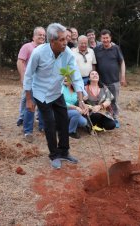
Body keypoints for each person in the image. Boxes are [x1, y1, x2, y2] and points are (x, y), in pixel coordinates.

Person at [23, 23, 87, 169]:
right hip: (41, 93)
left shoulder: (68, 54)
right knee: (50, 124)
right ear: (52, 41)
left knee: (63, 121)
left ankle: (64, 152)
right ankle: (54, 155)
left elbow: (75, 76)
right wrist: (28, 99)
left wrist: (81, 99)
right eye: (62, 40)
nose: (66, 42)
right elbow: (28, 75)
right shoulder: (39, 53)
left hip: (57, 92)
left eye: (66, 39)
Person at [16, 26, 46, 143]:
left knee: (43, 105)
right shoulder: (27, 47)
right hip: (32, 82)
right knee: (30, 105)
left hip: (43, 82)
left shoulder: (45, 48)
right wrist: (23, 77)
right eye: (40, 35)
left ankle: (42, 126)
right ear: (33, 36)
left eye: (44, 35)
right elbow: (20, 61)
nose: (42, 37)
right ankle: (28, 131)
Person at [94, 29, 126, 128]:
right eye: (103, 38)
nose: (105, 40)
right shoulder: (97, 49)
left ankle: (115, 118)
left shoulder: (116, 48)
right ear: (101, 39)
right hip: (101, 81)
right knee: (102, 101)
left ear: (110, 38)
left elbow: (122, 62)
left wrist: (123, 77)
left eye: (107, 38)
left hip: (114, 81)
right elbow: (94, 64)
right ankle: (104, 118)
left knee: (114, 101)